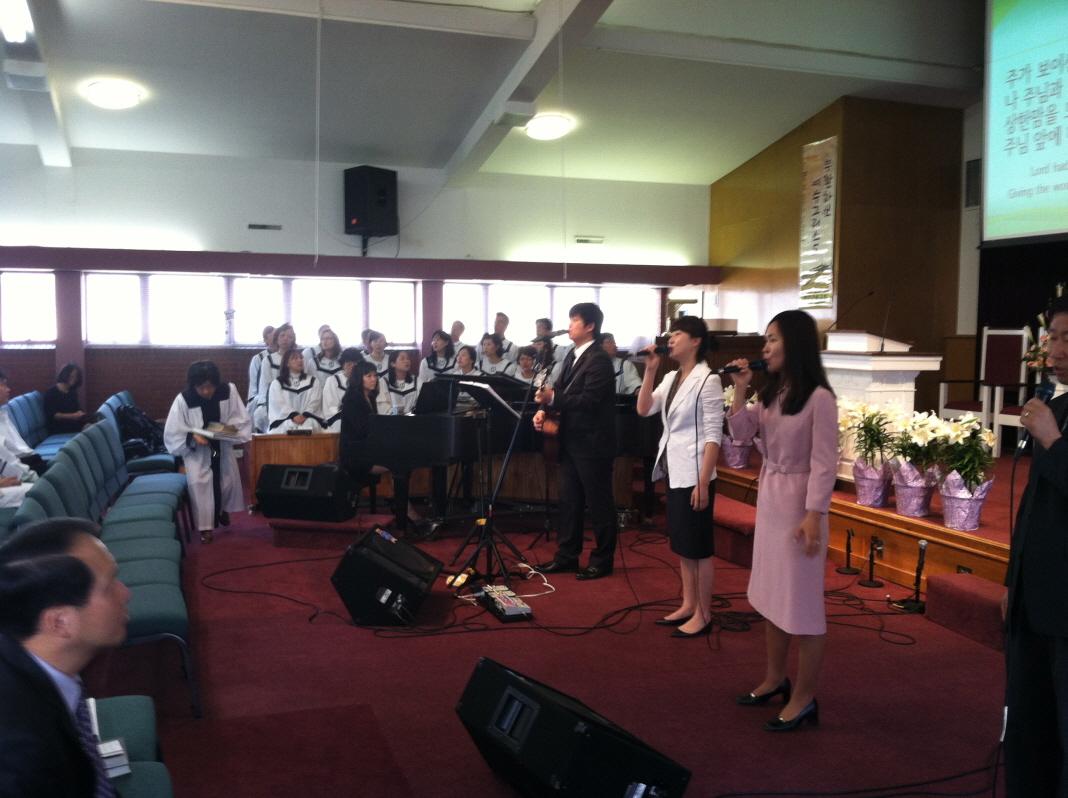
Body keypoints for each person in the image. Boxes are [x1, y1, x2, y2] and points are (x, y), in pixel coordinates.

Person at [726, 309, 838, 732]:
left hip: (800, 507)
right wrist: (741, 389)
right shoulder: (773, 391)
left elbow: (825, 463)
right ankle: (775, 678)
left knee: (803, 606)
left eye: (773, 339)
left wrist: (814, 515)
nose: (765, 347)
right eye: (766, 340)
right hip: (772, 498)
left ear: (796, 343)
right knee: (773, 597)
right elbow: (740, 435)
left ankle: (804, 698)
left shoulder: (819, 398)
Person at [0, 517, 132, 798]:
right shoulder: (24, 758)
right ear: (59, 622)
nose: (125, 593)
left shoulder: (37, 658)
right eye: (109, 586)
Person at [1003, 295, 1068, 797]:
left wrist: (1053, 442)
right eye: (1054, 338)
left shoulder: (1053, 423)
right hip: (1035, 595)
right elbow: (1031, 509)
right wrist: (1013, 583)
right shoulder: (1059, 406)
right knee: (1031, 724)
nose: (1056, 350)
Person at [637, 317, 723, 637]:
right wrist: (650, 370)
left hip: (695, 473)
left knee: (698, 547)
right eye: (670, 334)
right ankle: (689, 604)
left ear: (696, 341)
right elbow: (644, 409)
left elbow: (713, 435)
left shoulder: (708, 379)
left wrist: (703, 482)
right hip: (674, 469)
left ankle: (703, 614)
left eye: (677, 334)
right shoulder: (671, 376)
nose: (670, 339)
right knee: (684, 545)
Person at [532, 302, 618, 580]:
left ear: (590, 326)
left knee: (599, 503)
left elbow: (590, 400)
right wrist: (544, 409)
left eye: (574, 320)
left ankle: (602, 560)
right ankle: (567, 556)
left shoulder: (599, 359)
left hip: (593, 443)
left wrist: (554, 398)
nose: (569, 325)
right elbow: (561, 390)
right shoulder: (572, 354)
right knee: (569, 501)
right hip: (570, 439)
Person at [164, 360, 253, 543]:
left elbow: (240, 421)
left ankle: (221, 510)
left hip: (219, 448)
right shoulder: (184, 399)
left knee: (226, 482)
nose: (206, 391)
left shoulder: (228, 391)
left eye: (210, 386)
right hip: (199, 453)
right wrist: (192, 435)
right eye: (201, 387)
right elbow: (173, 431)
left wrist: (215, 431)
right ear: (193, 385)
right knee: (200, 484)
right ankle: (206, 528)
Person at [0, 369, 39, 508]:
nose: (8, 389)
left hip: (14, 469)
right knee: (40, 493)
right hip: (9, 474)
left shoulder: (3, 413)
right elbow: (6, 461)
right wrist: (36, 479)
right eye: (3, 384)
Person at [267, 348, 324, 434]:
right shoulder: (277, 383)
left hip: (308, 418)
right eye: (295, 358)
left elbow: (315, 401)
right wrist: (293, 415)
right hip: (285, 420)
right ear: (287, 363)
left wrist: (305, 415)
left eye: (301, 358)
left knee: (309, 424)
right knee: (288, 425)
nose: (300, 360)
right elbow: (279, 403)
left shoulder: (313, 381)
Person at [253, 323, 297, 432]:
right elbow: (265, 385)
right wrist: (266, 404)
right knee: (259, 415)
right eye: (282, 335)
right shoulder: (268, 360)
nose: (285, 339)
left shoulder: (299, 359)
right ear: (276, 339)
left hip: (294, 402)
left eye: (289, 336)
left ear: (293, 340)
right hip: (272, 402)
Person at [43, 364, 92, 434]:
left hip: (73, 422)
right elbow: (53, 415)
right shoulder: (52, 391)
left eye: (77, 376)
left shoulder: (72, 391)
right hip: (58, 425)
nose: (75, 379)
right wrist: (72, 416)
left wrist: (79, 413)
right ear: (66, 375)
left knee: (93, 426)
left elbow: (77, 408)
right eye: (73, 376)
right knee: (89, 428)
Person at [321, 347, 362, 431]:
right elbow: (331, 406)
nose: (352, 368)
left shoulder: (364, 381)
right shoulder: (333, 381)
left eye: (355, 365)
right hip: (339, 419)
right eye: (349, 364)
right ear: (343, 365)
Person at [378, 350, 419, 414]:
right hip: (392, 418)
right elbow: (383, 407)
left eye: (408, 358)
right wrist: (401, 413)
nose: (407, 361)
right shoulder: (383, 382)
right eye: (402, 358)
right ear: (393, 364)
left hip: (413, 418)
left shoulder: (417, 381)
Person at [247, 325, 276, 415]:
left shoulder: (288, 357)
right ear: (266, 340)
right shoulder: (258, 358)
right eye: (274, 336)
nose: (277, 338)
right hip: (262, 398)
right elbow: (254, 384)